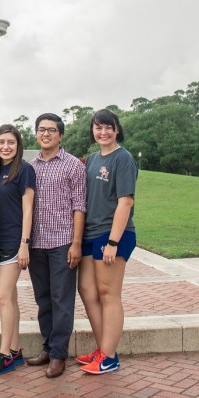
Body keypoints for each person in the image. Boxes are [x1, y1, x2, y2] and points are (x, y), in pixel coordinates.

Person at [26, 113, 86, 379]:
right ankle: (48, 348)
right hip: (37, 244)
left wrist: (76, 243)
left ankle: (60, 355)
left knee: (62, 301)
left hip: (63, 243)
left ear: (60, 135)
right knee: (44, 300)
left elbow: (79, 206)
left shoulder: (73, 165)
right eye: (41, 130)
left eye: (51, 130)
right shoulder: (31, 167)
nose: (46, 134)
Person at [77, 110, 138, 374]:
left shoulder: (122, 158)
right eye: (98, 127)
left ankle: (110, 356)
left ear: (116, 130)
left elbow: (126, 201)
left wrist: (113, 242)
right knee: (87, 291)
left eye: (108, 128)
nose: (103, 132)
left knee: (108, 294)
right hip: (90, 233)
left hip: (111, 234)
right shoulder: (91, 159)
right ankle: (103, 347)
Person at [0, 124, 36, 376]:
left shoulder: (24, 170)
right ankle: (15, 351)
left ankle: (4, 353)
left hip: (15, 242)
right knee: (11, 298)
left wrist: (25, 243)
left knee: (2, 297)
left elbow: (28, 208)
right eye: (1, 142)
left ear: (18, 146)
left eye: (11, 143)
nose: (6, 147)